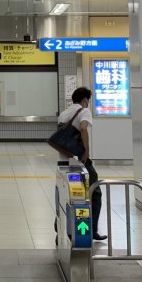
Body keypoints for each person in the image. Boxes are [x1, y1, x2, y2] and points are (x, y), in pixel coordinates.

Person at [55, 87, 106, 241]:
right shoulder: (83, 111)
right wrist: (87, 151)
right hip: (79, 160)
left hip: (64, 160)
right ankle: (92, 230)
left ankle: (60, 228)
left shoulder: (64, 113)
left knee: (68, 193)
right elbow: (83, 128)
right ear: (84, 100)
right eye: (88, 101)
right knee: (94, 192)